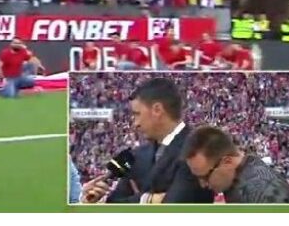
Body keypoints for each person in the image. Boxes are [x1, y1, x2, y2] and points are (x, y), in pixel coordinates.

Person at [79, 78, 214, 204]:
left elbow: (175, 203)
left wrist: (140, 199)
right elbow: (114, 203)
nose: (135, 124)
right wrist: (148, 199)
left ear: (157, 110)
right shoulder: (137, 155)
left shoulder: (198, 149)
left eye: (137, 114)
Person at [183, 126, 289, 204]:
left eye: (205, 177)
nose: (202, 184)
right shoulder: (236, 180)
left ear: (227, 162)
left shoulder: (264, 192)